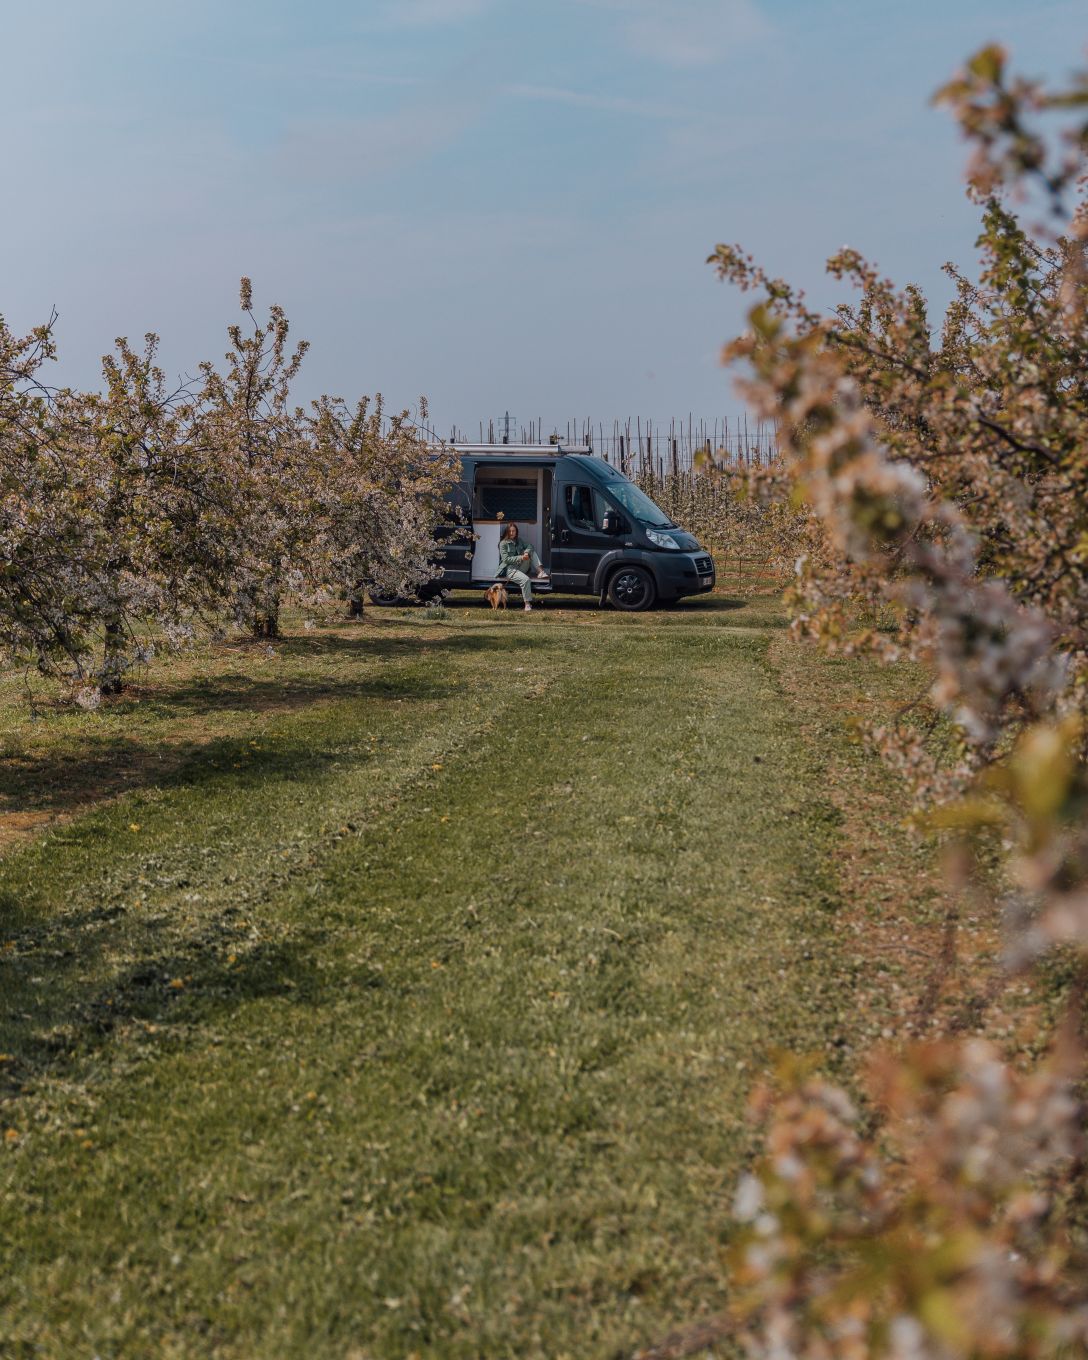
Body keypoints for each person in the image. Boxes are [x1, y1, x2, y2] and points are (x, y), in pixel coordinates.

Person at [496, 522, 548, 611]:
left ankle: (540, 572)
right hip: (510, 569)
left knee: (531, 551)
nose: (512, 533)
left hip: (520, 566)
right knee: (526, 580)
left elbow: (530, 546)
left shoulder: (519, 540)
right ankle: (527, 604)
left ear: (516, 532)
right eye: (510, 531)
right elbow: (506, 559)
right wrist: (521, 557)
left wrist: (526, 552)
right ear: (507, 532)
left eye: (514, 531)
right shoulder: (503, 543)